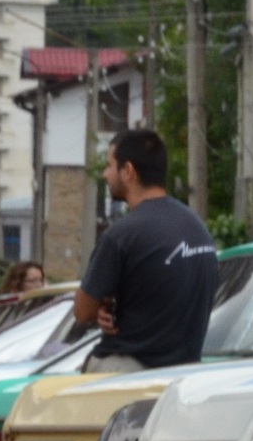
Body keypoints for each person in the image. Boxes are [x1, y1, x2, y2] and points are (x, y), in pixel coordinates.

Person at [73, 129, 216, 370]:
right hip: (183, 372)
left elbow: (82, 312)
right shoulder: (198, 228)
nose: (105, 174)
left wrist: (98, 307)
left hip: (131, 371)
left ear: (128, 171)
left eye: (110, 165)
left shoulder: (122, 235)